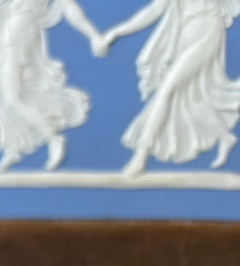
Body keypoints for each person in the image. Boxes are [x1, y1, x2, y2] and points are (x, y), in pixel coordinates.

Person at [0, 0, 108, 172]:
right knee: (3, 93)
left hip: (18, 28)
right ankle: (14, 147)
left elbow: (69, 7)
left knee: (12, 97)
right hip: (9, 24)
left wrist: (94, 36)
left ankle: (53, 138)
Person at [99, 0, 240, 177]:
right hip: (185, 35)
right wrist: (117, 31)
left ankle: (141, 155)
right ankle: (225, 137)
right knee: (188, 97)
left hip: (207, 32)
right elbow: (155, 10)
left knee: (165, 93)